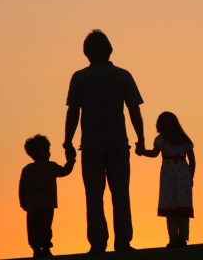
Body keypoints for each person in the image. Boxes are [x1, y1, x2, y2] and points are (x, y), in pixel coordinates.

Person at [63, 29, 145, 253]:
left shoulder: (79, 78)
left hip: (91, 145)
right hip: (118, 143)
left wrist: (67, 141)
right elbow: (134, 110)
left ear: (86, 53)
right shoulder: (123, 75)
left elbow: (73, 112)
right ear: (109, 50)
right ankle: (123, 242)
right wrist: (141, 139)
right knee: (121, 195)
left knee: (93, 197)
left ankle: (98, 243)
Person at [136, 111, 196, 248]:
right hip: (182, 173)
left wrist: (142, 151)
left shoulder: (162, 139)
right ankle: (182, 238)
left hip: (169, 174)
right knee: (182, 206)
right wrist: (191, 176)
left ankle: (174, 238)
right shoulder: (184, 140)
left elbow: (154, 154)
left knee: (171, 206)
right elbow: (192, 161)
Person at [19, 134, 76, 258]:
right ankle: (45, 248)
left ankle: (36, 249)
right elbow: (65, 171)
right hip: (46, 205)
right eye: (48, 150)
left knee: (33, 228)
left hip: (32, 206)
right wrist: (71, 160)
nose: (50, 153)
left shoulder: (27, 170)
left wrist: (23, 203)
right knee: (45, 227)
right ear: (44, 151)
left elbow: (22, 188)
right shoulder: (50, 166)